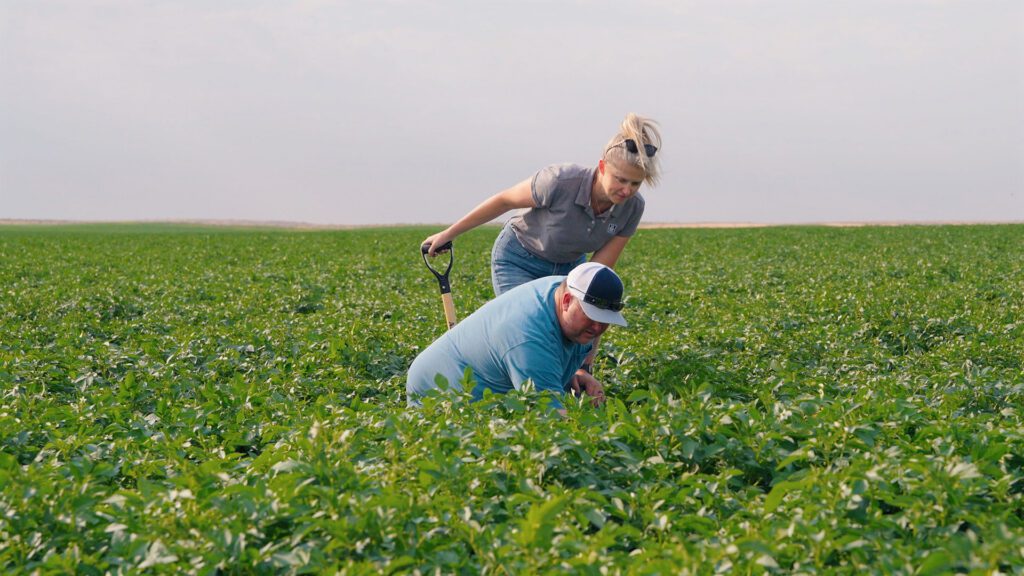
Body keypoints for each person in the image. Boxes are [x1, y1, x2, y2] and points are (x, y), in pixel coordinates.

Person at [421, 112, 662, 297]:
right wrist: (448, 234)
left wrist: (583, 318)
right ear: (602, 167)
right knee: (524, 326)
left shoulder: (633, 207)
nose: (627, 190)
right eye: (620, 179)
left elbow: (597, 269)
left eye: (635, 183)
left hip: (568, 268)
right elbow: (504, 200)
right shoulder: (560, 181)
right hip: (519, 259)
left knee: (569, 330)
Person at [407, 262, 628, 415]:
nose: (597, 327)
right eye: (590, 316)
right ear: (567, 301)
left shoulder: (564, 288)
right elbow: (552, 421)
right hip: (437, 391)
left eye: (605, 320)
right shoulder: (529, 339)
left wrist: (577, 371)